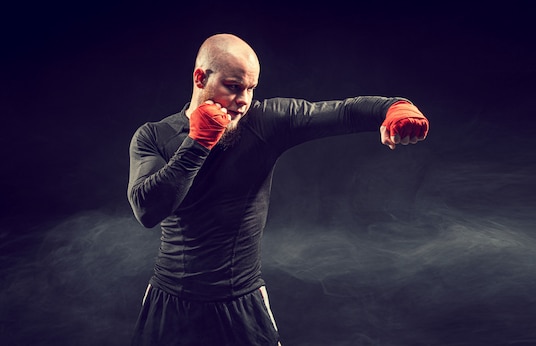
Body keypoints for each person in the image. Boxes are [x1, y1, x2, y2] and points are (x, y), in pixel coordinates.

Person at [127, 33, 429, 346]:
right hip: (170, 302)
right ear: (201, 77)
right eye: (233, 86)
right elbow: (148, 210)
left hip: (240, 304)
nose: (243, 100)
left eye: (250, 88)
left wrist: (396, 108)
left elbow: (344, 112)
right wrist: (198, 142)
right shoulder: (153, 136)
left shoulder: (265, 120)